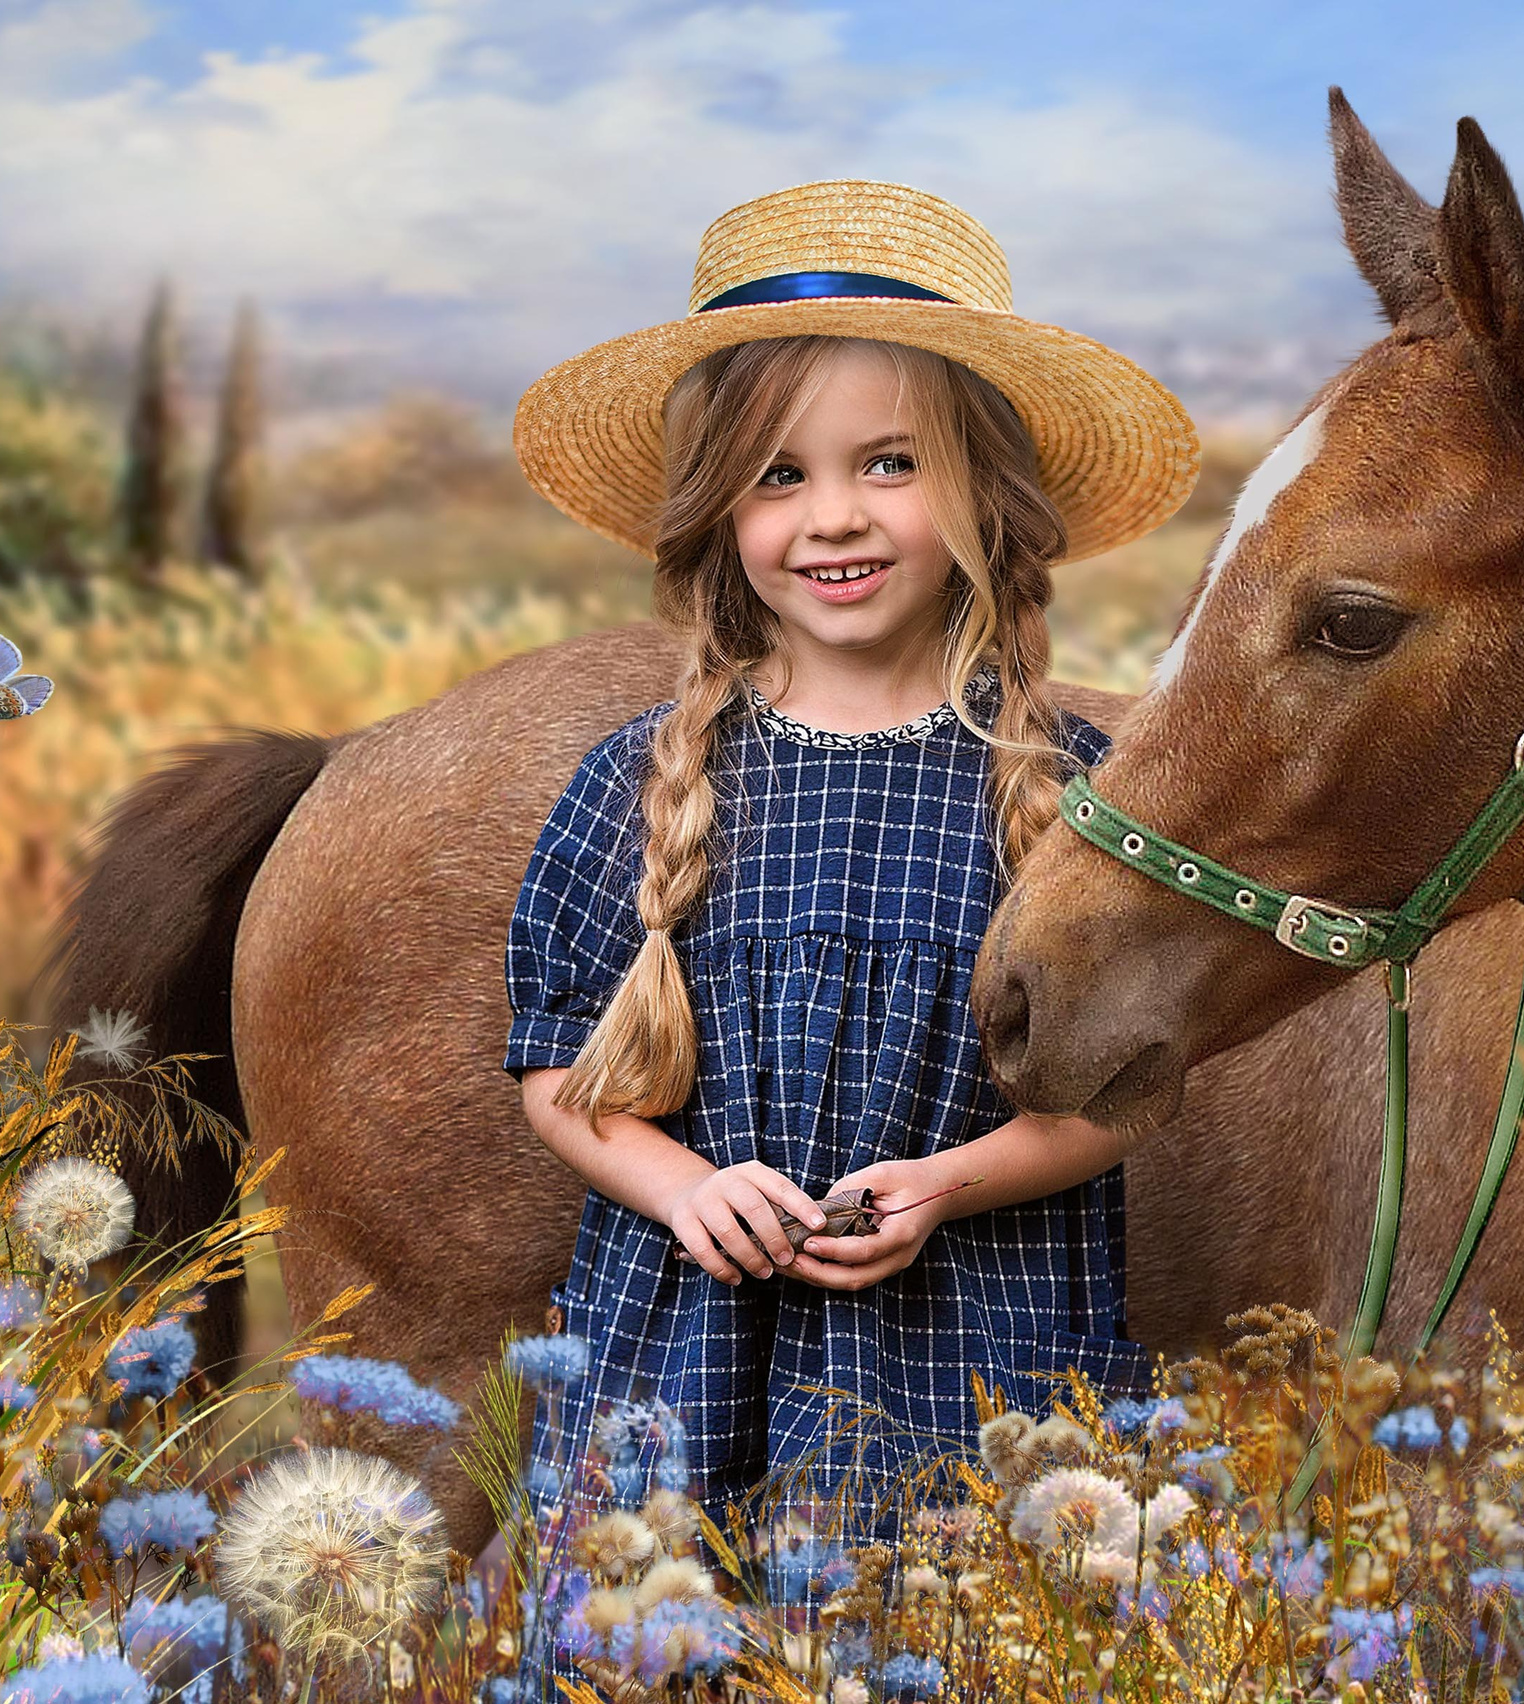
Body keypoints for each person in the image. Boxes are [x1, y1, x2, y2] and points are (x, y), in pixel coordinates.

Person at [498, 177, 1199, 1661]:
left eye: (888, 463)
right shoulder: (637, 781)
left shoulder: (1074, 792)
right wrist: (686, 1192)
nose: (832, 518)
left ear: (982, 496)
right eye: (775, 477)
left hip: (983, 1344)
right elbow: (555, 1064)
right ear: (718, 517)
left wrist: (955, 1180)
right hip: (685, 1356)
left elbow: (1128, 1090)